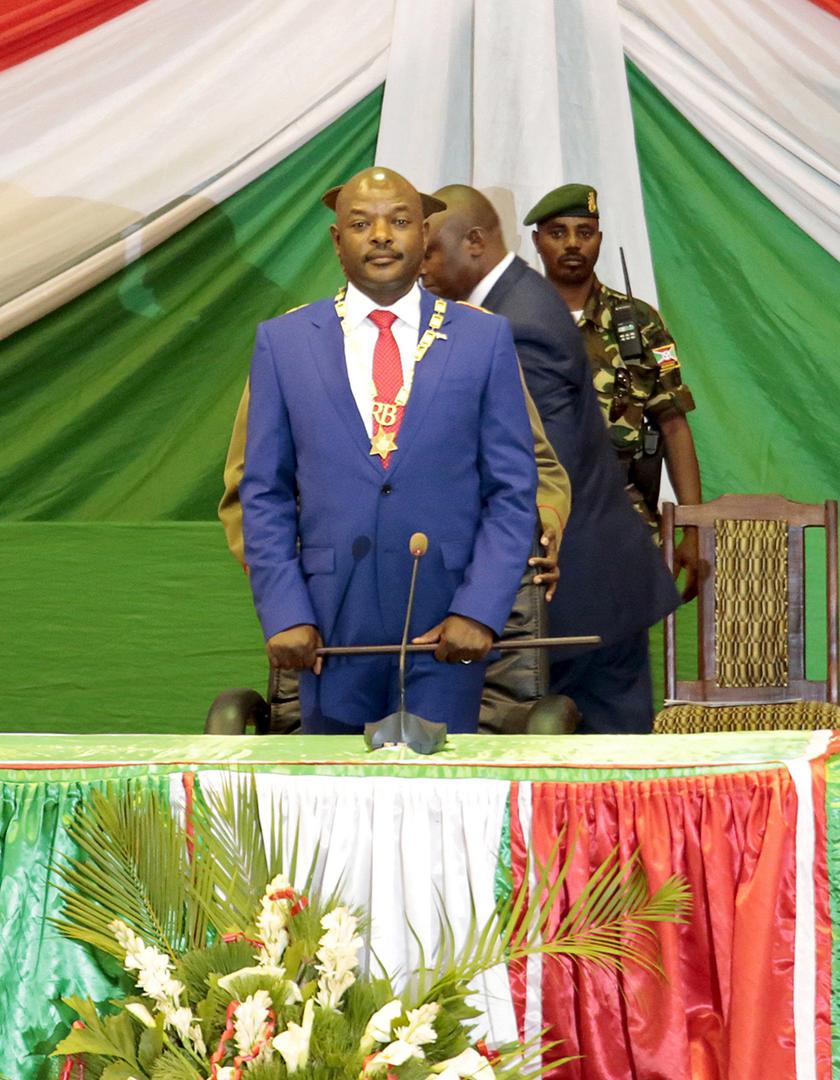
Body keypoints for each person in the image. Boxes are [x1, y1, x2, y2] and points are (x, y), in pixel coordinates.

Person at [240, 168, 538, 734]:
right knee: (328, 808)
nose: (381, 235)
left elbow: (513, 492)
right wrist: (285, 612)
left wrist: (478, 609)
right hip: (329, 628)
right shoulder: (283, 343)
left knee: (439, 802)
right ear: (336, 240)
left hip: (445, 626)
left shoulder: (484, 339)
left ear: (425, 236)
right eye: (361, 223)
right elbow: (264, 493)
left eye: (400, 222)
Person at [421, 184, 680, 733]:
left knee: (607, 780)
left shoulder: (517, 323)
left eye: (429, 251)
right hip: (591, 591)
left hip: (577, 596)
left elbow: (537, 472)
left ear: (473, 242)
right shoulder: (513, 302)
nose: (419, 267)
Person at [526, 183, 702, 599]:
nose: (572, 244)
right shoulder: (510, 323)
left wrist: (693, 527)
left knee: (618, 653)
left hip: (622, 520)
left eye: (584, 232)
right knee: (533, 655)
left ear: (599, 239)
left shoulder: (643, 324)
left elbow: (674, 424)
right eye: (557, 232)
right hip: (534, 519)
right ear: (537, 241)